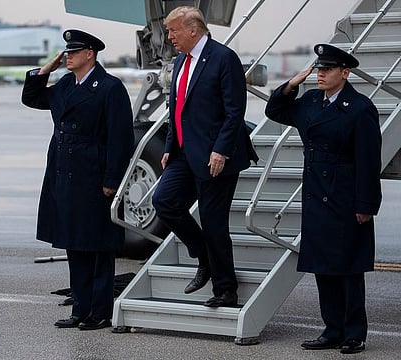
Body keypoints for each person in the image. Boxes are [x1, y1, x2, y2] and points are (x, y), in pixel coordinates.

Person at [265, 44, 382, 354]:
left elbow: (369, 161)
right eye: (318, 69)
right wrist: (291, 84)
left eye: (327, 70)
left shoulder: (359, 108)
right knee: (323, 267)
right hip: (317, 193)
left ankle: (354, 333)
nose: (320, 74)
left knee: (347, 268)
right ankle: (332, 330)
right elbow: (274, 110)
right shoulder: (311, 100)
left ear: (345, 73)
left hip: (345, 196)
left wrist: (365, 205)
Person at [21, 29, 134, 330]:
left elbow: (121, 140)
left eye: (74, 51)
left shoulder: (109, 88)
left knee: (99, 245)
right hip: (65, 174)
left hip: (94, 176)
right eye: (67, 51)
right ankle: (80, 309)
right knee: (75, 244)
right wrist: (45, 70)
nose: (68, 55)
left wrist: (112, 179)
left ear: (90, 54)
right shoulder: (65, 84)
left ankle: (100, 312)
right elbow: (31, 98)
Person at [152, 6, 258, 308]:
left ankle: (225, 289)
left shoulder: (223, 59)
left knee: (214, 223)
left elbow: (235, 110)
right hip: (184, 154)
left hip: (216, 155)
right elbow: (176, 110)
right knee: (164, 201)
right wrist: (170, 146)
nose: (169, 36)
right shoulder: (182, 61)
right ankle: (203, 256)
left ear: (193, 30)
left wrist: (221, 150)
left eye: (173, 30)